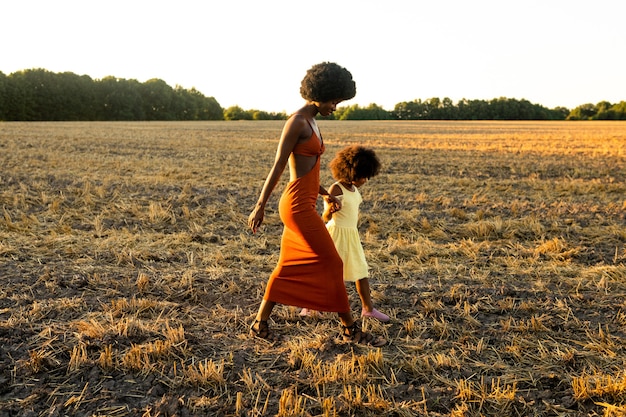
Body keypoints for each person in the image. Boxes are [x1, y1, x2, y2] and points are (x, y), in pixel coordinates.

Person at [247, 62, 386, 347]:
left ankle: (259, 323)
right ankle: (350, 329)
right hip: (296, 205)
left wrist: (324, 193)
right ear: (319, 92)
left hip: (306, 200)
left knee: (288, 265)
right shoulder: (297, 121)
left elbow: (309, 168)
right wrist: (260, 204)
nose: (335, 106)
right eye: (334, 100)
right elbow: (279, 166)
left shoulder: (312, 121)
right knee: (333, 262)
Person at [300, 145, 390, 322]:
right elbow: (325, 217)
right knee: (327, 273)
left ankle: (368, 309)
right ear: (351, 172)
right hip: (336, 235)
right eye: (362, 176)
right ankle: (310, 307)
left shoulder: (354, 189)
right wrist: (331, 210)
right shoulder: (336, 189)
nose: (365, 180)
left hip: (351, 235)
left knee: (360, 270)